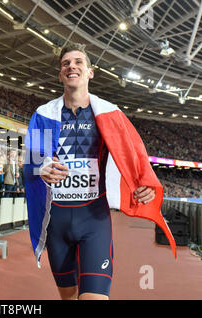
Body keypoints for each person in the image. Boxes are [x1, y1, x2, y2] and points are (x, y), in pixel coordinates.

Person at [23, 44, 176, 301]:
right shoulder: (43, 115)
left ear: (90, 72)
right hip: (56, 222)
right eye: (66, 64)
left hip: (94, 219)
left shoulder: (109, 113)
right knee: (69, 298)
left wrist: (144, 183)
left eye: (78, 62)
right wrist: (41, 169)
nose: (72, 66)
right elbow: (31, 165)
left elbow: (134, 154)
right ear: (60, 75)